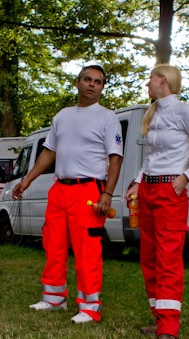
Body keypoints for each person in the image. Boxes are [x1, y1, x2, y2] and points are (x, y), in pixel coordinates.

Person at [12, 65, 123, 324]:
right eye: (87, 79)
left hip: (89, 191)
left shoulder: (108, 118)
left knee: (87, 251)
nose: (92, 84)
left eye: (98, 82)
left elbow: (115, 158)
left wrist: (107, 193)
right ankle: (53, 299)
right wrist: (26, 180)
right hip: (59, 189)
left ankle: (89, 308)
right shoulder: (62, 116)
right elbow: (49, 152)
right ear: (78, 82)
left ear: (102, 87)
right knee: (54, 246)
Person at [125, 65, 189, 339]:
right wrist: (136, 183)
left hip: (170, 191)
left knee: (168, 260)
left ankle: (169, 329)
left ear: (163, 80)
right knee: (149, 257)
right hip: (147, 190)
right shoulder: (154, 113)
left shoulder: (184, 112)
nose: (147, 84)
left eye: (150, 79)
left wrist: (186, 176)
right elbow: (150, 157)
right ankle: (158, 319)